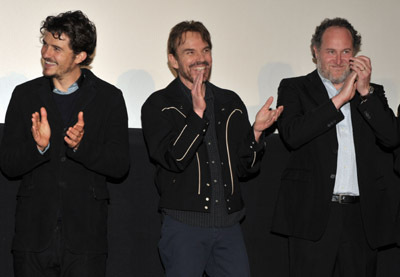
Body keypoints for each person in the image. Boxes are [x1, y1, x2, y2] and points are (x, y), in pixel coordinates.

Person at [141, 20, 283, 276]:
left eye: (205, 50)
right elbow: (174, 159)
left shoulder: (230, 101)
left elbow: (246, 169)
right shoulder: (159, 104)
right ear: (173, 60)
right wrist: (196, 114)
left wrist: (257, 133)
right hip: (183, 227)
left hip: (230, 227)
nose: (201, 58)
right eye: (190, 52)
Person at [0, 10, 129, 277]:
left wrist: (82, 147)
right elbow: (9, 165)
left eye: (57, 48)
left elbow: (120, 166)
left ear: (80, 56)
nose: (46, 53)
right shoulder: (25, 95)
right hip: (32, 238)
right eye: (45, 44)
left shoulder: (109, 98)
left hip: (85, 240)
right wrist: (39, 148)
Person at [271, 17, 400, 277]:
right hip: (312, 217)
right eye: (331, 51)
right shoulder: (294, 87)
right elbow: (293, 135)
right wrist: (339, 99)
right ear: (315, 51)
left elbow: (392, 138)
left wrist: (365, 94)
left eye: (346, 52)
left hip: (361, 219)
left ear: (355, 55)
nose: (339, 60)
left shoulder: (372, 93)